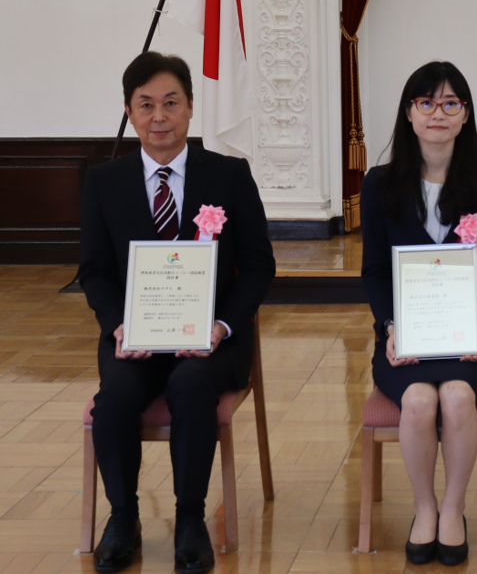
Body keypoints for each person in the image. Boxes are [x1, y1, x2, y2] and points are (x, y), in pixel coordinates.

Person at [79, 52, 275, 574]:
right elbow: (94, 272)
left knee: (190, 385)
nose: (159, 116)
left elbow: (259, 265)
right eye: (146, 105)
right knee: (115, 396)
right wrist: (118, 325)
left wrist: (221, 326)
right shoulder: (104, 182)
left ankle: (190, 519)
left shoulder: (229, 175)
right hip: (135, 338)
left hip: (212, 342)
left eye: (171, 102)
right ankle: (123, 518)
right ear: (129, 112)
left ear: (190, 107)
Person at [360, 60, 477, 567]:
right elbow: (374, 272)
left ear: (465, 114)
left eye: (450, 103)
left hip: (469, 338)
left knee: (456, 396)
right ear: (409, 113)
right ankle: (424, 508)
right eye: (426, 102)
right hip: (405, 339)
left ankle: (453, 508)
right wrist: (390, 328)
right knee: (419, 401)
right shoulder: (379, 184)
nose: (438, 114)